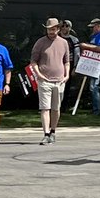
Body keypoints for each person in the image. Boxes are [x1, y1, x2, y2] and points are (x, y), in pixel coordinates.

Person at [31, 17, 70, 145]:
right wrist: (39, 75)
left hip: (59, 81)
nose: (51, 32)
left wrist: (67, 75)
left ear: (58, 29)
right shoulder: (40, 42)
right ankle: (46, 133)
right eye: (48, 29)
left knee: (55, 108)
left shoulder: (64, 43)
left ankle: (53, 131)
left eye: (53, 29)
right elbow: (33, 61)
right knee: (44, 108)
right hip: (44, 81)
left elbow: (66, 61)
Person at [82, 17, 100, 116]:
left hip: (98, 64)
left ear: (99, 26)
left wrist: (85, 46)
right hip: (91, 63)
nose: (92, 29)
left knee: (94, 86)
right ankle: (94, 108)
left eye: (93, 27)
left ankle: (96, 111)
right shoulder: (93, 36)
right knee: (91, 87)